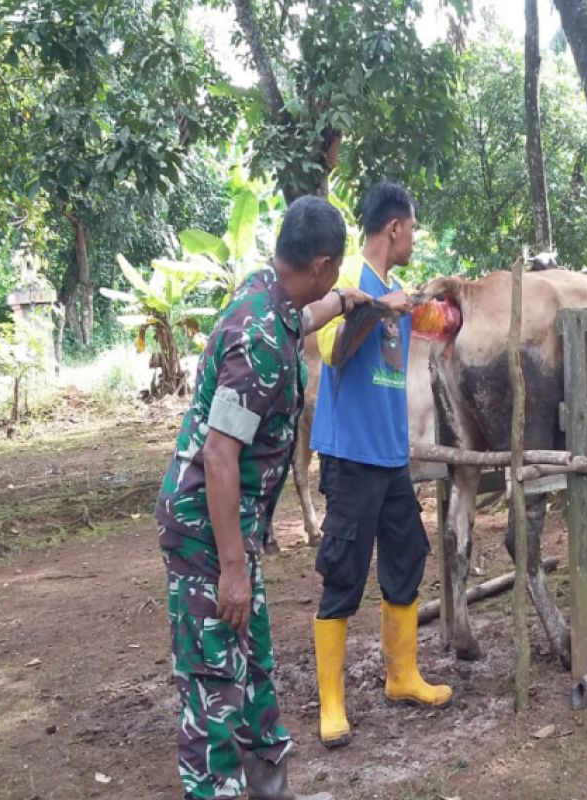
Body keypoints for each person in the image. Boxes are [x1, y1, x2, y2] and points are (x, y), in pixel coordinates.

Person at [156, 196, 346, 800]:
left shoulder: (270, 292)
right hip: (206, 529)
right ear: (319, 263)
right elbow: (218, 454)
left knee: (255, 665)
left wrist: (349, 302)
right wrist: (233, 566)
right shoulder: (259, 340)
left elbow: (302, 320)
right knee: (215, 681)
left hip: (233, 524)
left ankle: (269, 788)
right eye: (337, 268)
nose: (337, 275)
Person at [309, 181, 451, 750]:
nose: (414, 238)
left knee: (407, 556)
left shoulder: (396, 288)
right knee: (343, 570)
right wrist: (373, 307)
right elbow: (332, 350)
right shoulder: (346, 285)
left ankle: (402, 676)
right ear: (394, 229)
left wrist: (441, 306)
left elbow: (443, 325)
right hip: (350, 455)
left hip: (392, 457)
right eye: (413, 229)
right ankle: (332, 703)